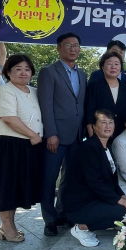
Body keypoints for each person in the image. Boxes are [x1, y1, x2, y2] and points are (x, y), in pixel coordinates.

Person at [0, 54, 44, 243]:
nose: (23, 72)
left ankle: (8, 226)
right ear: (9, 72)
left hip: (28, 146)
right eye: (18, 69)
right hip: (9, 145)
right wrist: (32, 135)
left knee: (15, 188)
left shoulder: (33, 91)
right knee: (5, 187)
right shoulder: (5, 91)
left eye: (27, 69)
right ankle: (7, 227)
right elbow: (9, 118)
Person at [62, 109, 126, 247]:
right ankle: (82, 228)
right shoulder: (89, 148)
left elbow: (112, 181)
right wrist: (118, 200)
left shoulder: (107, 147)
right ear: (93, 126)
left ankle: (104, 222)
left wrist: (124, 196)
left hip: (97, 199)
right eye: (103, 122)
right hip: (81, 205)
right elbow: (94, 181)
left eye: (111, 122)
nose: (108, 126)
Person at [37, 32, 88, 237]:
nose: (73, 49)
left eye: (76, 45)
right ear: (58, 48)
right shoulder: (49, 72)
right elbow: (46, 105)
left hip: (76, 135)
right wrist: (51, 133)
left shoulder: (82, 74)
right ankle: (49, 220)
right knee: (49, 178)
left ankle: (63, 213)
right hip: (56, 136)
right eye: (68, 45)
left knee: (69, 178)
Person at [85, 52, 126, 139]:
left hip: (122, 135)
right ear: (102, 67)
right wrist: (92, 136)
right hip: (100, 135)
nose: (113, 67)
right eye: (109, 64)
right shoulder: (94, 86)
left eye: (116, 64)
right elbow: (89, 112)